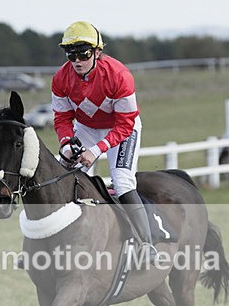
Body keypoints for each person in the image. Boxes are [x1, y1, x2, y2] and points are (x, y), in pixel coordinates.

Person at [51, 21, 157, 261]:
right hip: (87, 128)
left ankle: (147, 245)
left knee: (122, 182)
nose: (77, 60)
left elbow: (125, 124)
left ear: (98, 52)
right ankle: (48, 242)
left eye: (83, 53)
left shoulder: (119, 76)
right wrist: (67, 142)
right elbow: (62, 117)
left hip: (121, 130)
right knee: (62, 176)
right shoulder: (60, 79)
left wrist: (96, 150)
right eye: (71, 54)